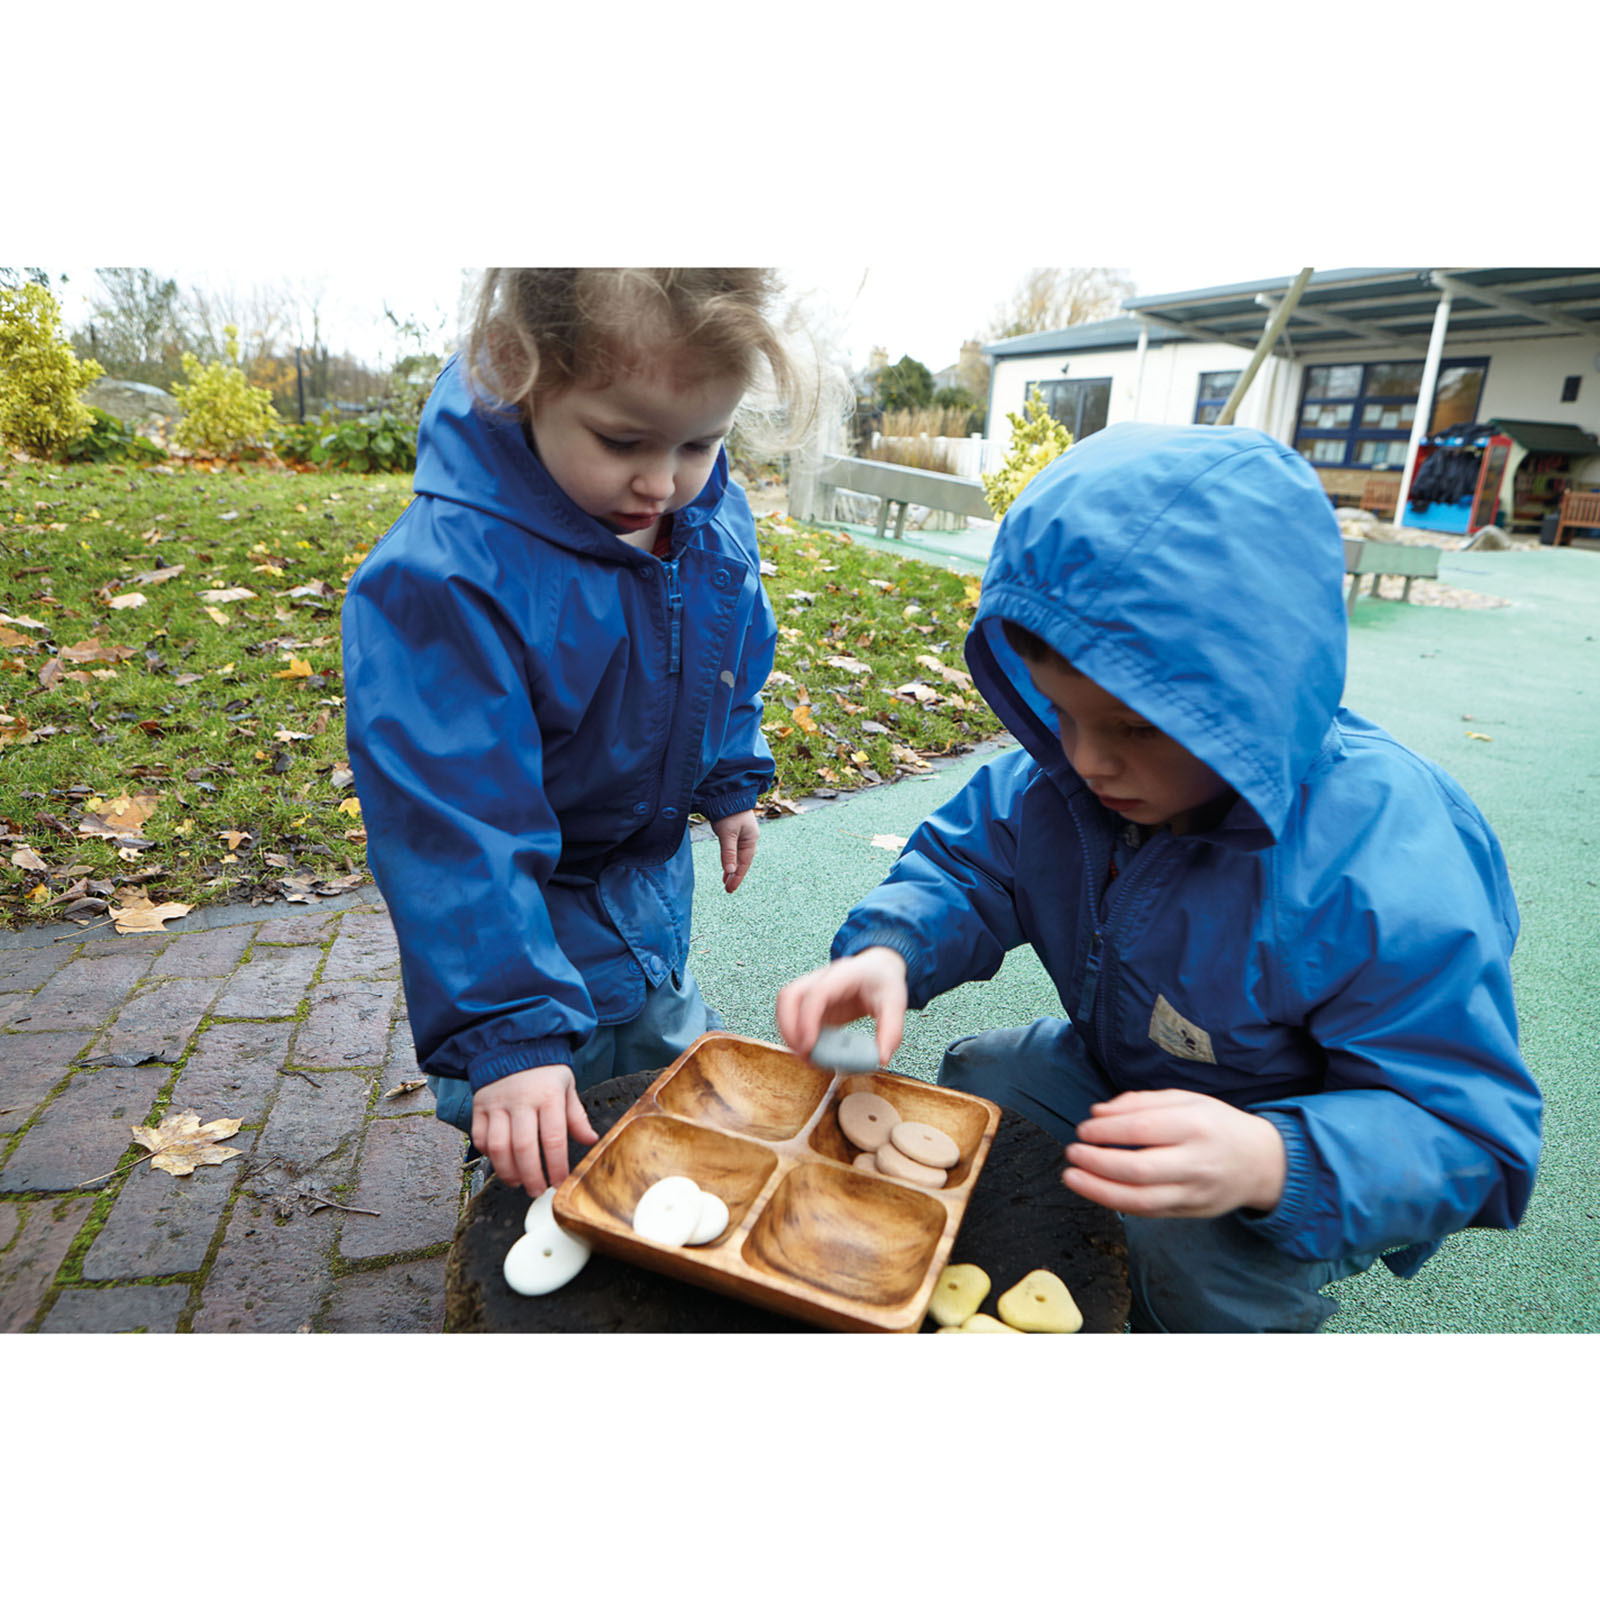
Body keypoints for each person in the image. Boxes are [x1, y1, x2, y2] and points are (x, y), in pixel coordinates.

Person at [776, 422, 1542, 1333]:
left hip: (1286, 1140)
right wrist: (893, 950)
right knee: (983, 1079)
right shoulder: (1065, 780)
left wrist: (1270, 1160)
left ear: (1249, 700)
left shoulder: (1382, 860)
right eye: (1061, 712)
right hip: (1125, 1069)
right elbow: (967, 862)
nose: (1087, 760)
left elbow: (1468, 1135)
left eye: (1136, 728)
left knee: (1189, 1255)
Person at [344, 268, 831, 1197]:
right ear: (521, 374)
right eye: (621, 440)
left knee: (665, 1077)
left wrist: (730, 777)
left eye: (701, 441)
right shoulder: (448, 575)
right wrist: (508, 1028)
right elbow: (453, 821)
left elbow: (730, 655)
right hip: (522, 910)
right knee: (542, 1126)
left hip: (646, 888)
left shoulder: (704, 518)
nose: (662, 481)